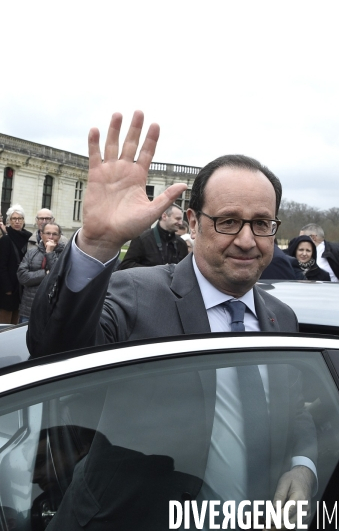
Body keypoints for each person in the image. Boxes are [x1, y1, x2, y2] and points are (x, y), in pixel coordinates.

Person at [28, 110, 316, 514]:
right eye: (229, 221)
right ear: (194, 223)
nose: (248, 240)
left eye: (262, 223)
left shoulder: (282, 319)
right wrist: (95, 245)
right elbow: (52, 351)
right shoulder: (137, 293)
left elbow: (294, 414)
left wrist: (302, 466)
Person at [17, 223, 65, 323]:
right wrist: (45, 274)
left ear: (59, 236)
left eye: (54, 234)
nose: (51, 237)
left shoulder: (65, 254)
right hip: (29, 309)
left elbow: (58, 277)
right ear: (41, 234)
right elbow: (22, 277)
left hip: (53, 310)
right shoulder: (31, 253)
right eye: (48, 233)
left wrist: (49, 253)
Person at [119, 204, 188, 268]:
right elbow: (125, 265)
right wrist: (154, 272)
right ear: (164, 216)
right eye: (177, 219)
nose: (180, 223)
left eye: (181, 220)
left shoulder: (181, 243)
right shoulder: (142, 239)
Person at [0, 205, 32, 324]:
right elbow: (1, 266)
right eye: (14, 219)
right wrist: (7, 288)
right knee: (6, 321)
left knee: (17, 320)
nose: (17, 221)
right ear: (9, 221)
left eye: (20, 218)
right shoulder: (5, 240)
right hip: (8, 287)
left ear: (23, 220)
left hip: (23, 285)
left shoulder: (29, 237)